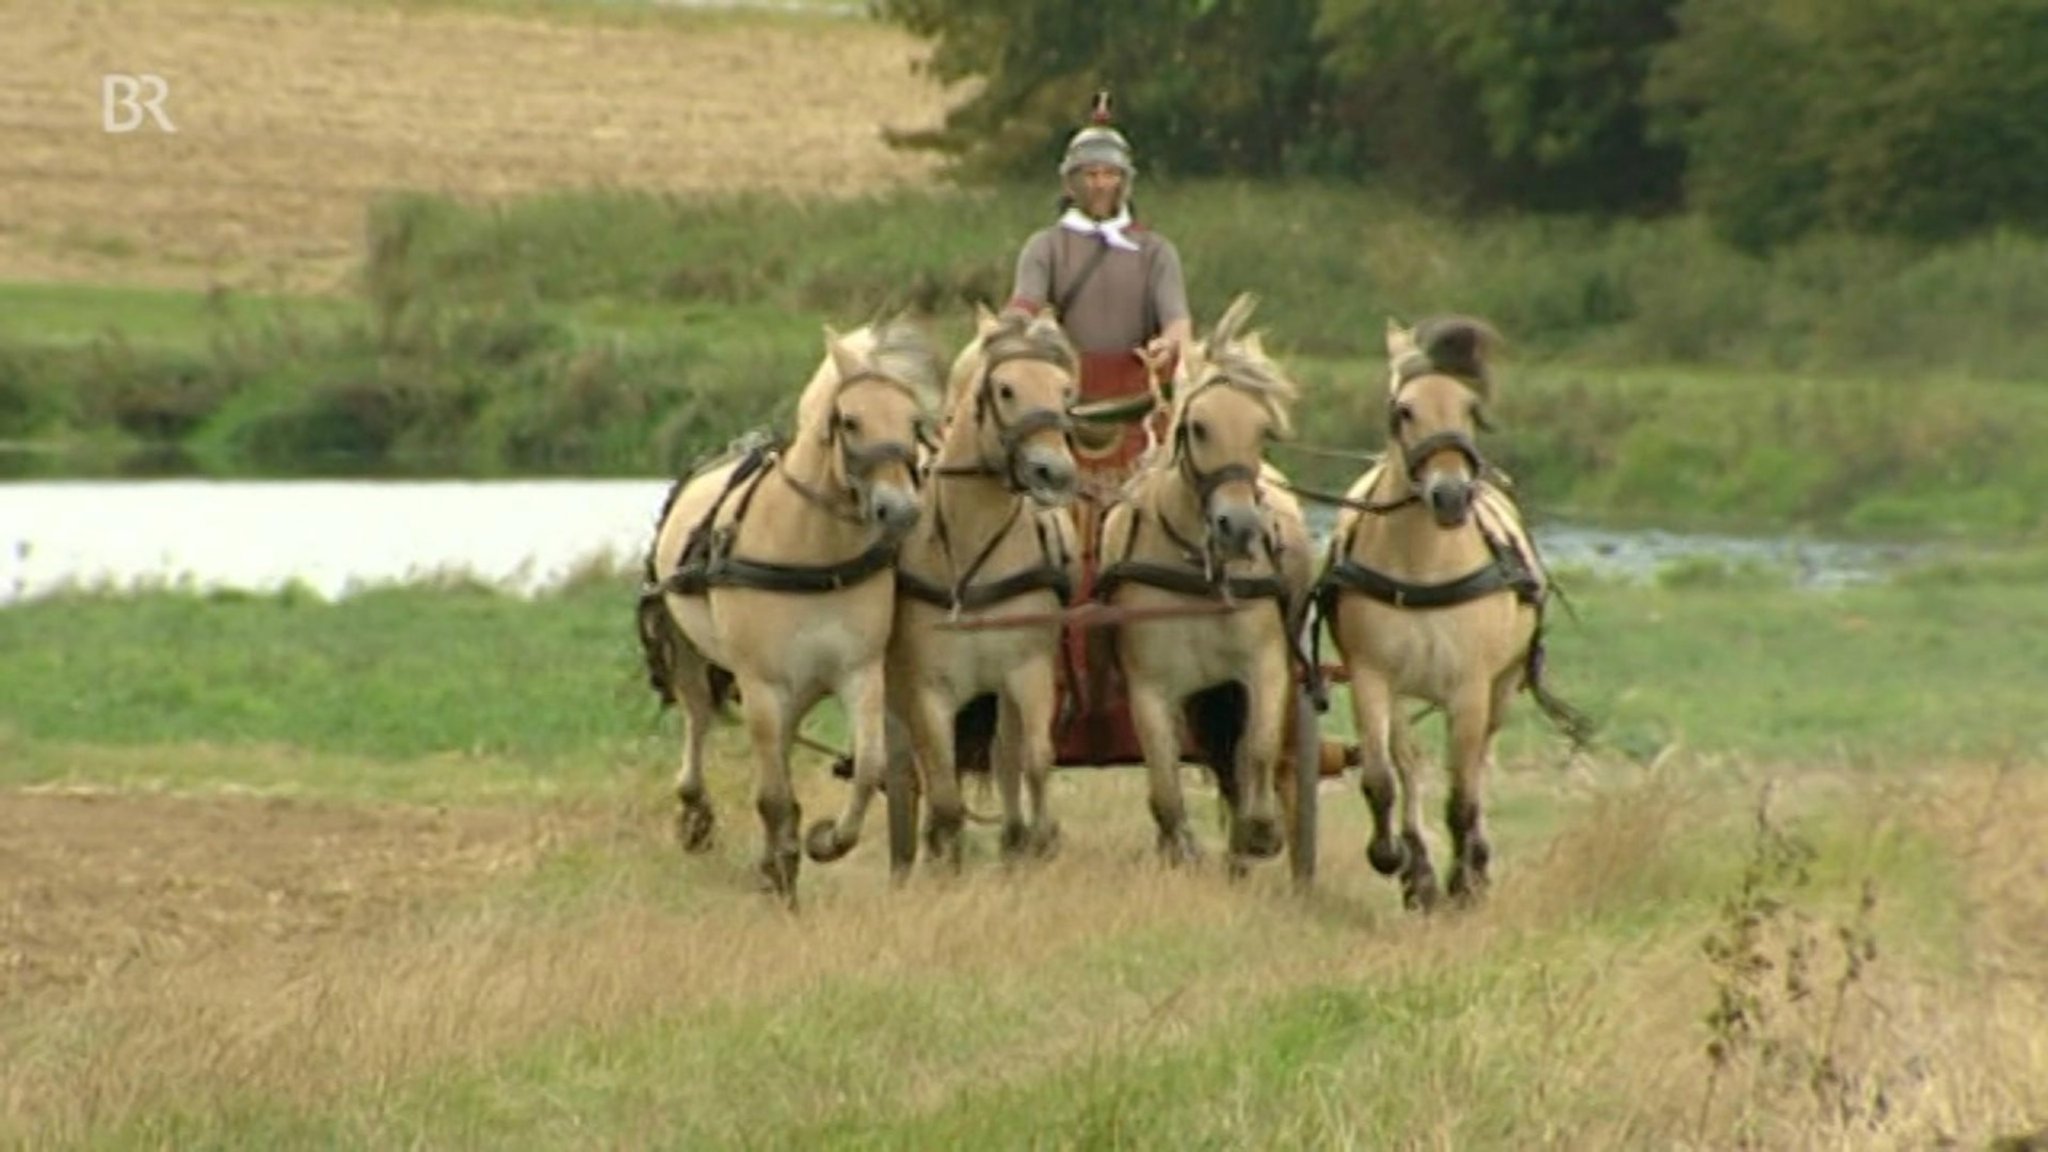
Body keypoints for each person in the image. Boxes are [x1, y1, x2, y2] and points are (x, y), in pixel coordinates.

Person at [1002, 92, 1199, 768]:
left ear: (1125, 182)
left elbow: (1177, 321)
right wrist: (1032, 330)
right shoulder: (1046, 246)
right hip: (1060, 408)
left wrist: (1171, 348)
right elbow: (1022, 308)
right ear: (1070, 181)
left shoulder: (1155, 252)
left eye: (1108, 174)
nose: (1098, 184)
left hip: (1136, 409)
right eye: (1087, 175)